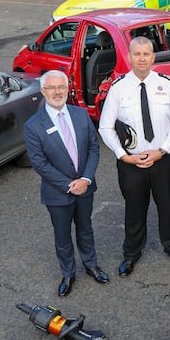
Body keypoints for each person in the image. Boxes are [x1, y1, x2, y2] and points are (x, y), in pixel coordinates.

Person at [98, 36, 170, 277]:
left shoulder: (166, 85)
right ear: (129, 57)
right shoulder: (118, 89)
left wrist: (162, 150)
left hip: (163, 159)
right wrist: (123, 156)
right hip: (131, 163)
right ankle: (131, 254)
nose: (141, 58)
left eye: (146, 54)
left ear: (152, 57)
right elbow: (105, 127)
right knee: (134, 209)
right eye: (137, 54)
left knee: (168, 207)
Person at [23, 70, 108, 297]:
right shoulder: (33, 126)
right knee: (62, 235)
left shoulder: (80, 115)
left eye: (61, 87)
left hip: (86, 186)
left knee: (86, 228)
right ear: (43, 91)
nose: (57, 92)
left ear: (67, 88)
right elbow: (39, 164)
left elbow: (93, 148)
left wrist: (86, 179)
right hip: (58, 192)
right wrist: (71, 185)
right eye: (51, 88)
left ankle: (91, 265)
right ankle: (68, 273)